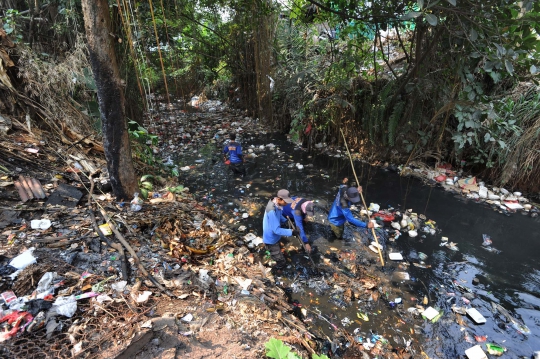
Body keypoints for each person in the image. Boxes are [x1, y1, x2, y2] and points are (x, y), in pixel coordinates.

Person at [262, 189, 300, 268]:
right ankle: (276, 268)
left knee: (277, 249)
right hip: (271, 239)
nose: (286, 204)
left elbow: (278, 217)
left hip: (274, 235)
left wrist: (286, 221)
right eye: (285, 202)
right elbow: (276, 230)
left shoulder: (276, 204)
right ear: (279, 199)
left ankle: (274, 254)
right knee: (281, 261)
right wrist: (291, 232)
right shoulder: (272, 211)